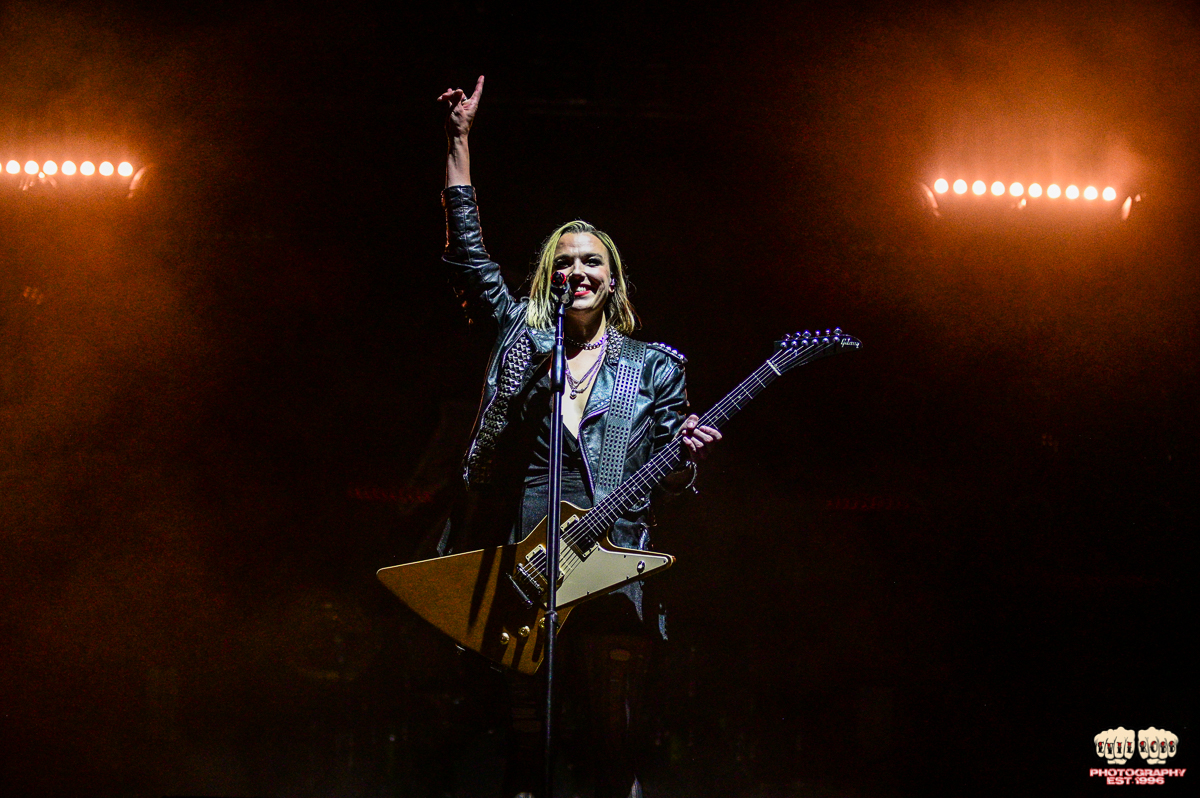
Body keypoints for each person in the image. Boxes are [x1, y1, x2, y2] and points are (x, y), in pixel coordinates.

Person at [436, 75, 720, 798]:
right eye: (564, 261)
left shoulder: (652, 367)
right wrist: (459, 141)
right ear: (548, 276)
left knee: (611, 743)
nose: (577, 271)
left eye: (592, 261)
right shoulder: (523, 338)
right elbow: (469, 258)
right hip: (526, 561)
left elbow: (673, 482)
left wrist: (684, 458)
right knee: (524, 743)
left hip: (610, 564)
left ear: (612, 280)